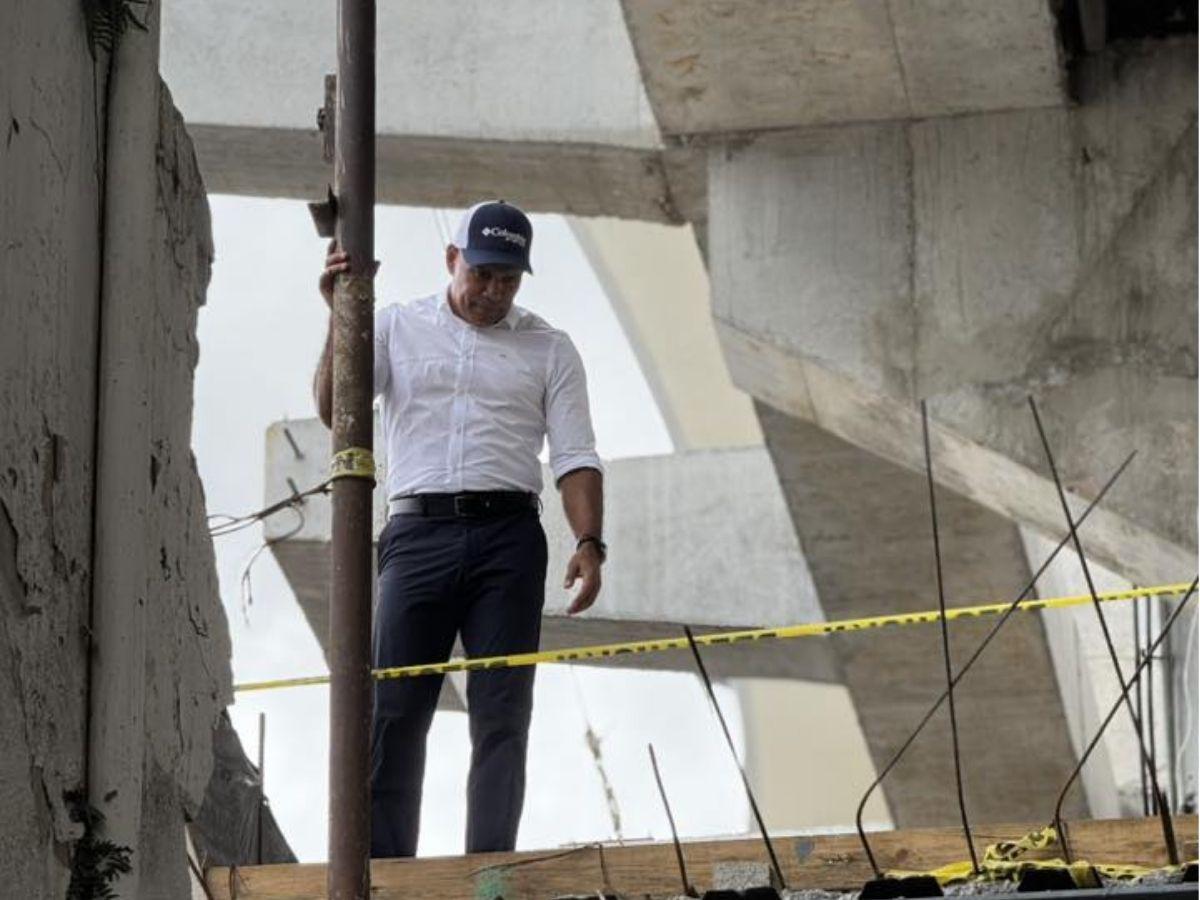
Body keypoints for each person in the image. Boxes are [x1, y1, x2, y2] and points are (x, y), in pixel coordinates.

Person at [313, 200, 606, 858]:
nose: (492, 292)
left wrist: (589, 541)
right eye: (482, 275)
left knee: (502, 712)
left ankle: (489, 869)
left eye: (507, 280)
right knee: (394, 710)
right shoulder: (395, 327)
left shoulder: (549, 348)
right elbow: (339, 411)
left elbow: (575, 455)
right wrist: (342, 319)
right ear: (453, 260)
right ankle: (386, 870)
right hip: (417, 535)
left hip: (508, 539)